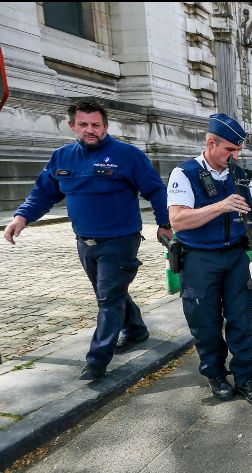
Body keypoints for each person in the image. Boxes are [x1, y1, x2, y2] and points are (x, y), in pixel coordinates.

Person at [3, 100, 172, 380]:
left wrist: (164, 224)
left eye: (96, 125)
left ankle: (97, 361)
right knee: (109, 293)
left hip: (120, 240)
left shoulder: (128, 155)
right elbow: (44, 193)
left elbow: (155, 190)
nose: (89, 130)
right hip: (84, 241)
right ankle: (136, 329)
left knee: (108, 298)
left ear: (105, 126)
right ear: (72, 126)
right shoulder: (62, 157)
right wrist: (21, 217)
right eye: (83, 124)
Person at [167, 113, 252, 406]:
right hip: (199, 260)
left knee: (241, 320)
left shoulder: (240, 176)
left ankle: (244, 377)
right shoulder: (184, 173)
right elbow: (179, 220)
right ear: (211, 143)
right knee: (205, 323)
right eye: (230, 150)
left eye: (238, 150)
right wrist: (221, 206)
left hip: (235, 257)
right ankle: (215, 376)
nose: (235, 155)